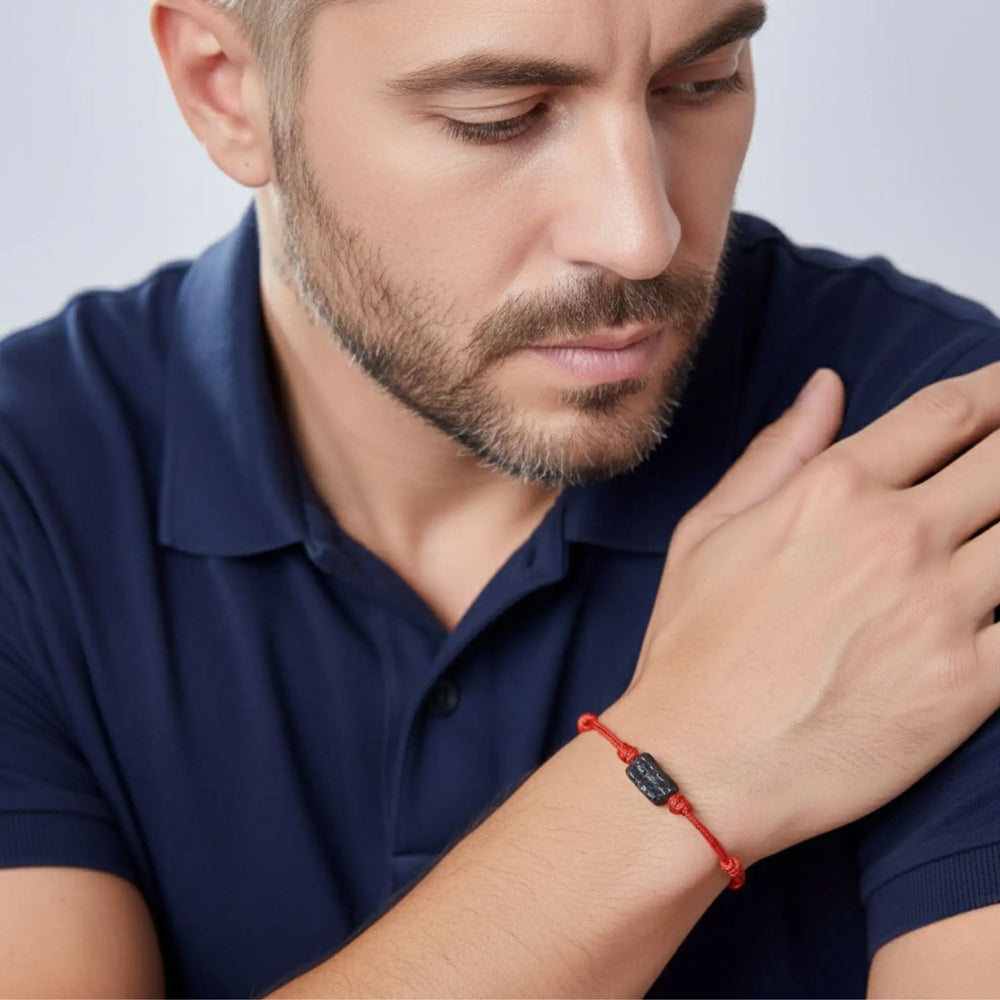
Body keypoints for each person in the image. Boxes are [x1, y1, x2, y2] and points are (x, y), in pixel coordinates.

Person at [1, 0, 999, 996]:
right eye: (500, 114)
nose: (639, 234)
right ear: (227, 88)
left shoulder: (940, 455)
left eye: (700, 82)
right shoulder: (29, 491)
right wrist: (685, 758)